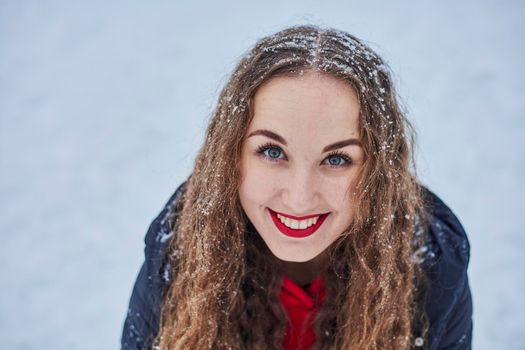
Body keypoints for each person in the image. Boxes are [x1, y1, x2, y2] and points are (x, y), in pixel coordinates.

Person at [121, 25, 472, 350]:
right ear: (230, 156)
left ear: (378, 171)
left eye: (336, 159)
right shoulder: (180, 247)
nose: (299, 198)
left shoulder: (430, 267)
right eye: (272, 152)